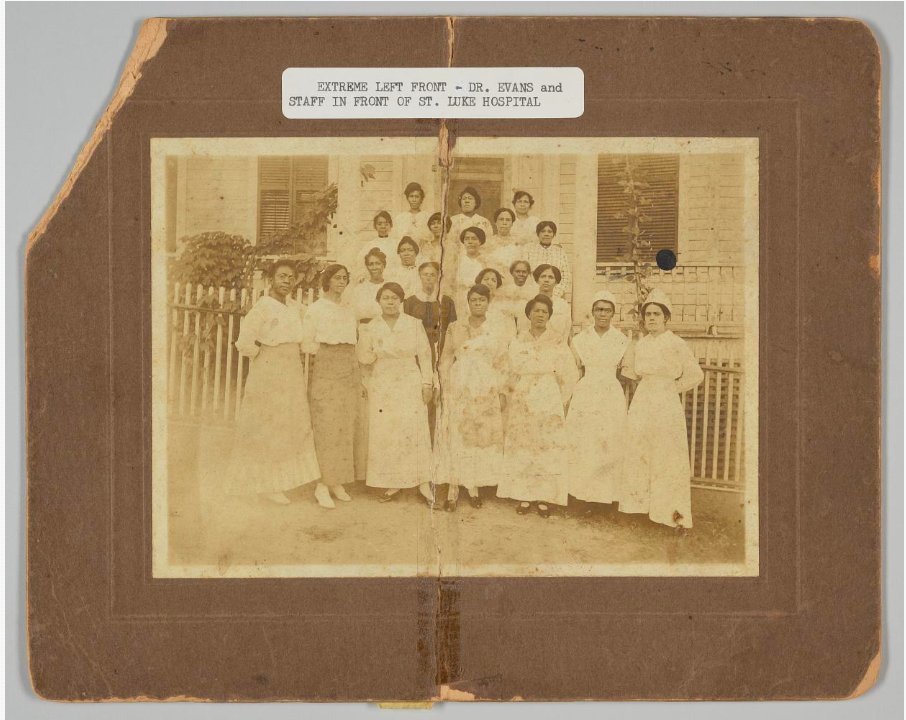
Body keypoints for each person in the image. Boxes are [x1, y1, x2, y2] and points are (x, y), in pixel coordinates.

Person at [224, 260, 321, 504]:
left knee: (288, 423)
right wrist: (264, 358)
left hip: (291, 368)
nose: (287, 281)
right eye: (282, 277)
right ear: (271, 280)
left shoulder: (296, 308)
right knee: (267, 424)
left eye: (291, 277)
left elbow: (308, 334)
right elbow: (244, 342)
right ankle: (266, 484)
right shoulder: (263, 307)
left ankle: (282, 481)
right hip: (268, 369)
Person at [619, 289, 704, 529]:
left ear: (666, 318)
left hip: (666, 402)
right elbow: (633, 372)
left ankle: (668, 512)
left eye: (657, 314)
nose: (652, 318)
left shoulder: (676, 343)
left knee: (666, 454)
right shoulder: (641, 343)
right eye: (648, 314)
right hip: (643, 399)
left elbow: (695, 375)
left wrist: (672, 388)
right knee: (640, 450)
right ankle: (640, 508)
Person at [497, 295, 578, 518]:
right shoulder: (518, 340)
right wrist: (511, 393)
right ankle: (524, 494)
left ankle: (544, 496)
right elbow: (510, 369)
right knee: (524, 443)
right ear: (529, 314)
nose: (540, 315)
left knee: (546, 444)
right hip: (524, 395)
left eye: (544, 311)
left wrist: (561, 399)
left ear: (549, 316)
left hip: (548, 393)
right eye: (536, 311)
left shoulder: (558, 341)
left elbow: (569, 372)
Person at [357, 282, 436, 505]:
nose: (390, 302)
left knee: (414, 428)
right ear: (378, 301)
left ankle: (422, 482)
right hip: (383, 382)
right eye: (385, 298)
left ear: (401, 301)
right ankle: (393, 482)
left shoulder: (413, 324)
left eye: (394, 298)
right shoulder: (371, 327)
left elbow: (425, 355)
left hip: (409, 379)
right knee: (388, 431)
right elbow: (364, 358)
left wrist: (427, 383)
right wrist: (368, 379)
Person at [435, 284, 507, 511]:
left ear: (488, 302)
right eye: (473, 300)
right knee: (457, 433)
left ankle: (473, 485)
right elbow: (446, 358)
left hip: (485, 386)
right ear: (468, 302)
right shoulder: (455, 328)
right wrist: (444, 385)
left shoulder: (496, 328)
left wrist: (501, 390)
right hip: (460, 385)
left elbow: (502, 361)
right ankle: (454, 488)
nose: (477, 304)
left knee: (477, 435)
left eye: (482, 300)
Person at [300, 264, 362, 508]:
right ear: (327, 280)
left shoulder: (348, 310)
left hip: (349, 366)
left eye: (345, 278)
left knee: (345, 425)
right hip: (327, 367)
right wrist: (328, 353)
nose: (341, 282)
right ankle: (322, 485)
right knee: (326, 425)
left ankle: (337, 481)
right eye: (337, 278)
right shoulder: (316, 309)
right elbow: (306, 343)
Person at [565, 290, 630, 508]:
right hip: (587, 391)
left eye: (607, 310)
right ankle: (581, 493)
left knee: (608, 441)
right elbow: (574, 369)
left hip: (610, 392)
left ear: (613, 313)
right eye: (599, 309)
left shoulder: (621, 339)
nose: (603, 314)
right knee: (585, 441)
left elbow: (626, 371)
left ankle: (605, 495)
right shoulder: (580, 339)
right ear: (592, 312)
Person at [403, 261, 457, 440]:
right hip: (417, 354)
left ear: (438, 276)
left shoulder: (446, 301)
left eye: (432, 274)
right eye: (425, 274)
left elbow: (451, 328)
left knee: (438, 396)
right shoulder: (410, 302)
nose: (429, 278)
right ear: (419, 276)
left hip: (440, 351)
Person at [516, 264, 572, 344]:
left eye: (551, 277)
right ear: (537, 280)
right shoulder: (527, 302)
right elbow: (521, 328)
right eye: (543, 276)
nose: (546, 280)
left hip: (555, 346)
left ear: (556, 281)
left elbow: (566, 331)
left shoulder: (563, 306)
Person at [525, 221, 572, 299]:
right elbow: (526, 273)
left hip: (555, 295)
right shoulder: (529, 249)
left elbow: (566, 276)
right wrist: (534, 292)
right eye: (543, 231)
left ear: (553, 234)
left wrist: (555, 294)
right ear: (538, 234)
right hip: (532, 294)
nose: (546, 234)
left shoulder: (560, 252)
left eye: (550, 231)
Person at [349, 211, 399, 283]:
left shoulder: (396, 244)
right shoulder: (369, 245)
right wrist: (361, 276)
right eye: (379, 224)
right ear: (375, 226)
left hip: (393, 279)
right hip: (376, 281)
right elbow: (360, 263)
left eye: (386, 224)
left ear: (391, 225)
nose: (383, 226)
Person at [345, 248, 387, 323]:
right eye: (371, 264)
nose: (374, 267)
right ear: (367, 267)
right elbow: (352, 315)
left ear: (383, 265)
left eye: (378, 263)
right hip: (365, 330)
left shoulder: (389, 287)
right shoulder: (360, 289)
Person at [475, 267, 516, 340]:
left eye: (493, 280)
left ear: (497, 285)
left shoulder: (504, 307)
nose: (489, 282)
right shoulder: (471, 304)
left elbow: (511, 333)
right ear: (479, 282)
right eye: (486, 279)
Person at [454, 227, 488, 313]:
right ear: (463, 242)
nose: (470, 242)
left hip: (481, 300)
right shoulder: (457, 261)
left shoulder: (487, 261)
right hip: (460, 300)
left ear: (480, 241)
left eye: (474, 239)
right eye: (467, 239)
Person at [487, 208, 526, 276]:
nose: (504, 223)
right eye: (501, 219)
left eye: (508, 220)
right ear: (495, 222)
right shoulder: (488, 242)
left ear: (512, 224)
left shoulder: (518, 242)